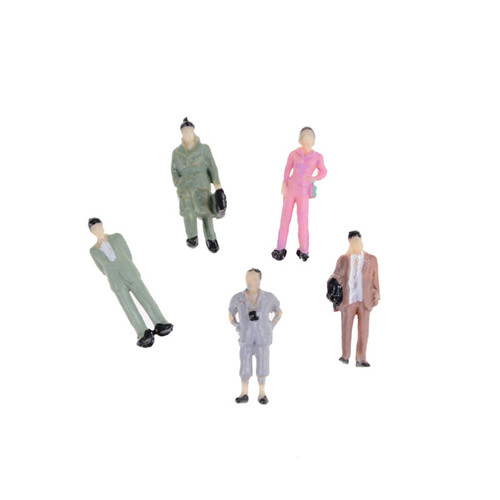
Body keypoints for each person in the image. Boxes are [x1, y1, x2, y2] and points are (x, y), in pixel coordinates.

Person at [88, 218, 173, 348]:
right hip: (116, 281)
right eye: (94, 229)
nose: (97, 230)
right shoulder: (93, 251)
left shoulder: (117, 237)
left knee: (146, 298)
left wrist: (125, 265)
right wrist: (112, 272)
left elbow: (128, 254)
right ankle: (142, 332)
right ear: (92, 232)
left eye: (99, 226)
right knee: (128, 307)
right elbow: (101, 269)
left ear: (103, 226)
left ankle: (160, 322)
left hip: (129, 272)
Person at [171, 117, 227, 253]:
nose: (187, 134)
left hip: (201, 186)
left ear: (193, 131)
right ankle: (192, 237)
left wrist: (218, 186)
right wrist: (179, 183)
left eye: (189, 131)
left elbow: (212, 167)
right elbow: (174, 170)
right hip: (185, 188)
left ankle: (211, 239)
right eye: (185, 131)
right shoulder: (177, 153)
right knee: (188, 212)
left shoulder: (204, 149)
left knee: (206, 213)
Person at [272, 127, 327, 262]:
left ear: (313, 142)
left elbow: (323, 171)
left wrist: (314, 178)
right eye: (305, 142)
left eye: (309, 142)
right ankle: (280, 248)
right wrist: (284, 182)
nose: (307, 146)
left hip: (303, 191)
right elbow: (287, 169)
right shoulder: (294, 154)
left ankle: (303, 250)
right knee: (285, 218)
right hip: (291, 189)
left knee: (303, 220)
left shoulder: (317, 157)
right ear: (300, 141)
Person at [228, 269, 282, 404]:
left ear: (259, 280)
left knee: (263, 366)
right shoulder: (238, 298)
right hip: (246, 337)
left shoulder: (268, 298)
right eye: (248, 279)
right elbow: (230, 314)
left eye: (254, 279)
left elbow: (279, 312)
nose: (250, 282)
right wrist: (237, 325)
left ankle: (262, 393)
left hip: (263, 337)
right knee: (244, 366)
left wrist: (272, 325)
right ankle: (244, 392)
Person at [326, 231, 380, 366]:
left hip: (364, 300)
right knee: (346, 328)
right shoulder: (343, 259)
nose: (358, 244)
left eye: (359, 241)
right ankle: (345, 355)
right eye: (354, 242)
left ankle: (361, 358)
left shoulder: (372, 260)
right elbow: (336, 274)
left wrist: (376, 294)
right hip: (348, 300)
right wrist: (335, 283)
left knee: (364, 331)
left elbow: (375, 279)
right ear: (350, 243)